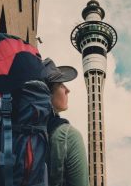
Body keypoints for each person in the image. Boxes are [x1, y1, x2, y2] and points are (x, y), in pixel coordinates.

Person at [43, 58, 89, 186]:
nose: (67, 90)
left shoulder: (16, 130)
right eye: (61, 85)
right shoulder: (68, 135)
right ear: (48, 93)